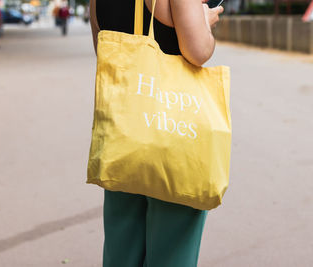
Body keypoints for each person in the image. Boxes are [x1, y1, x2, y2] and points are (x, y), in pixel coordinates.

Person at [89, 0, 223, 266]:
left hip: (124, 134)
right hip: (173, 138)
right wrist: (204, 22)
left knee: (121, 249)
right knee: (173, 250)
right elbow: (197, 50)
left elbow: (106, 52)